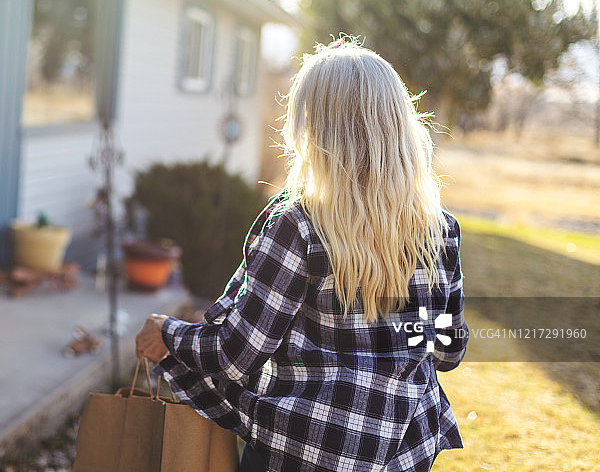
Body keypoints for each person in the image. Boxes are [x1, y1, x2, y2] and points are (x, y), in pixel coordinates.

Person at [136, 39, 468, 471]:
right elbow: (447, 353)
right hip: (399, 455)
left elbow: (238, 355)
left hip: (302, 450)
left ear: (315, 130)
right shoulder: (439, 231)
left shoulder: (299, 225)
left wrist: (167, 333)